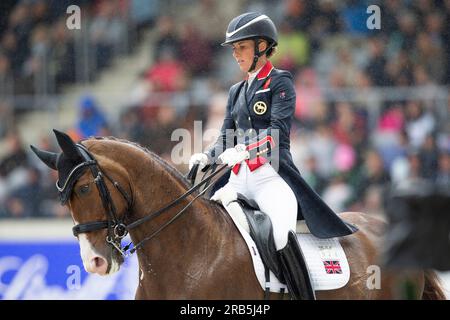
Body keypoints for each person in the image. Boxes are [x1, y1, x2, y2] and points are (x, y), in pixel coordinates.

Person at [189, 12, 357, 300]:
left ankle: (302, 295)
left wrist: (245, 149)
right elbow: (225, 136)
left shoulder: (280, 82)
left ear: (262, 47)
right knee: (205, 223)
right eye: (234, 49)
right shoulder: (236, 91)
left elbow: (277, 132)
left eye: (242, 47)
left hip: (271, 175)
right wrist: (207, 157)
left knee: (281, 233)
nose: (236, 55)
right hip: (239, 179)